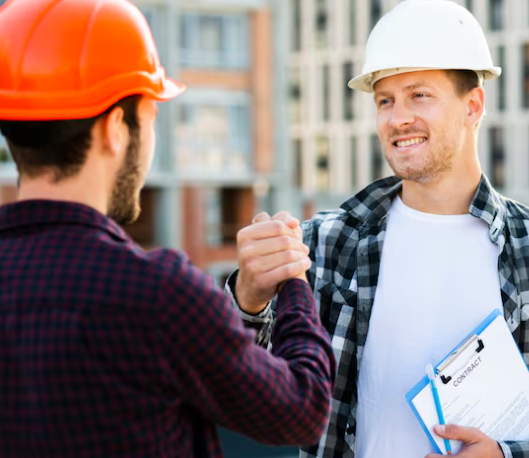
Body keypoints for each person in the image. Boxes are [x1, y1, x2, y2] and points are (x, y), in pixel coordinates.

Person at [231, 1, 529, 458]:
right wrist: (247, 300)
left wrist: (511, 457)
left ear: (473, 106)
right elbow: (241, 389)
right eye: (385, 100)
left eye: (419, 95)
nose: (397, 117)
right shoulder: (323, 246)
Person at [0, 1, 335, 457]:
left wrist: (247, 303)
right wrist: (293, 276)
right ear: (117, 128)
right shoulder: (155, 294)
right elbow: (303, 408)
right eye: (151, 118)